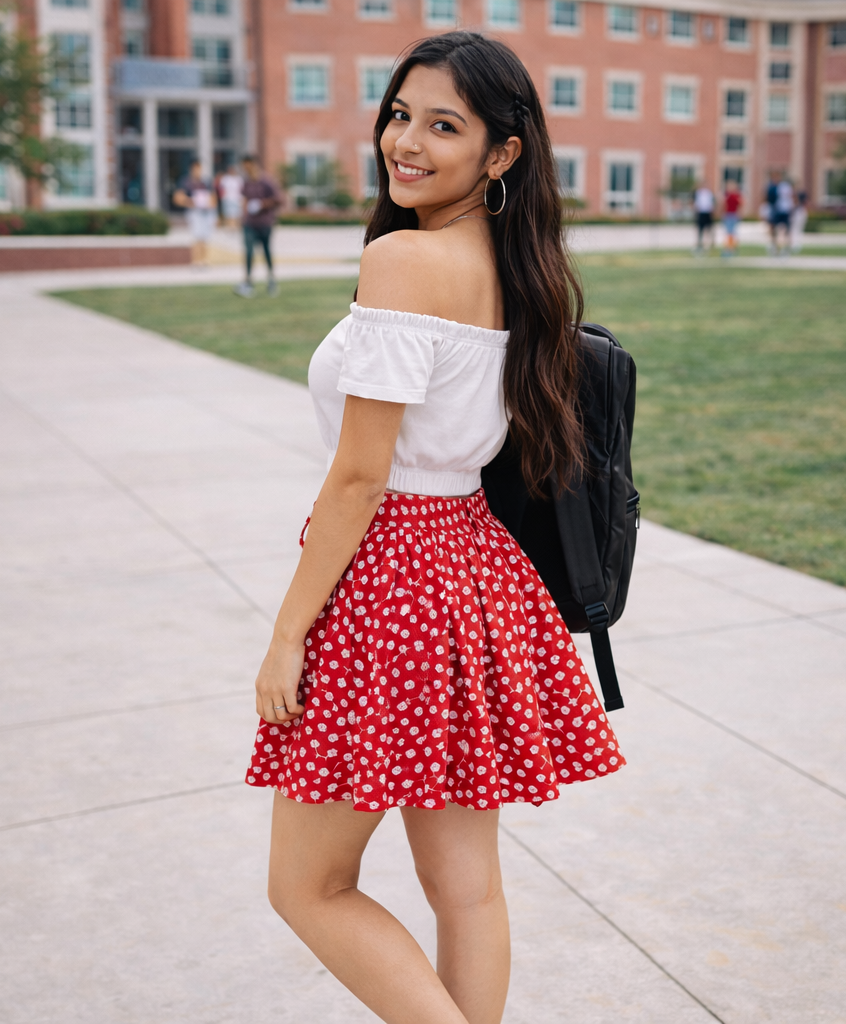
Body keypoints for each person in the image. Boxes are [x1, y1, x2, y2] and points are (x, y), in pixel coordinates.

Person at [246, 31, 625, 1024]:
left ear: (502, 153)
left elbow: (361, 475)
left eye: (443, 126)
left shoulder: (405, 260)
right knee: (469, 889)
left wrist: (287, 630)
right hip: (472, 570)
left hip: (394, 581)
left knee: (307, 886)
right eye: (400, 114)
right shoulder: (513, 265)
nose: (405, 142)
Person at [235, 154, 283, 297]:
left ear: (254, 165)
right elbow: (244, 200)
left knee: (266, 252)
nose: (246, 169)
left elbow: (279, 199)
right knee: (249, 252)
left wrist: (261, 205)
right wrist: (242, 216)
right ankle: (248, 283)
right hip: (249, 223)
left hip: (264, 223)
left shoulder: (266, 182)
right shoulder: (246, 182)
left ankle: (271, 281)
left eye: (248, 166)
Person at [173, 160, 217, 266]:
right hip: (194, 212)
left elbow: (213, 198)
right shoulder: (186, 182)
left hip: (205, 212)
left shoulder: (205, 182)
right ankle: (196, 260)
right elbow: (178, 197)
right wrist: (191, 201)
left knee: (205, 237)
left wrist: (208, 204)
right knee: (196, 236)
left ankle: (205, 259)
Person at [773, 174, 795, 255]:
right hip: (785, 210)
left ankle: (779, 248)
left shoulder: (780, 187)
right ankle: (784, 248)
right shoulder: (787, 188)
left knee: (780, 230)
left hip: (781, 210)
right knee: (785, 231)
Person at [218, 164, 244, 228]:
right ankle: (229, 227)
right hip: (228, 199)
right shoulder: (225, 179)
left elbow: (242, 189)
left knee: (236, 215)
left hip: (237, 199)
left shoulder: (239, 179)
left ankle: (235, 228)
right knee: (228, 215)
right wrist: (223, 197)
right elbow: (221, 188)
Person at [721, 179, 742, 256]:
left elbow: (741, 204)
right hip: (728, 215)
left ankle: (731, 249)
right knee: (728, 233)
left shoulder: (736, 195)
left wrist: (739, 212)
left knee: (732, 233)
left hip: (733, 215)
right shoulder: (726, 195)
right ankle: (729, 248)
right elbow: (723, 205)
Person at [693, 180, 715, 253]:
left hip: (708, 213)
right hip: (701, 213)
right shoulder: (697, 193)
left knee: (709, 228)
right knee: (700, 229)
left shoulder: (709, 193)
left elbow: (712, 203)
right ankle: (700, 243)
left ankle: (710, 243)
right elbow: (694, 203)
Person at [791, 185, 808, 253]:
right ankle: (796, 245)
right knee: (797, 230)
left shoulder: (797, 195)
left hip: (798, 212)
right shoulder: (799, 194)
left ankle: (795, 245)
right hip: (801, 212)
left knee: (795, 230)